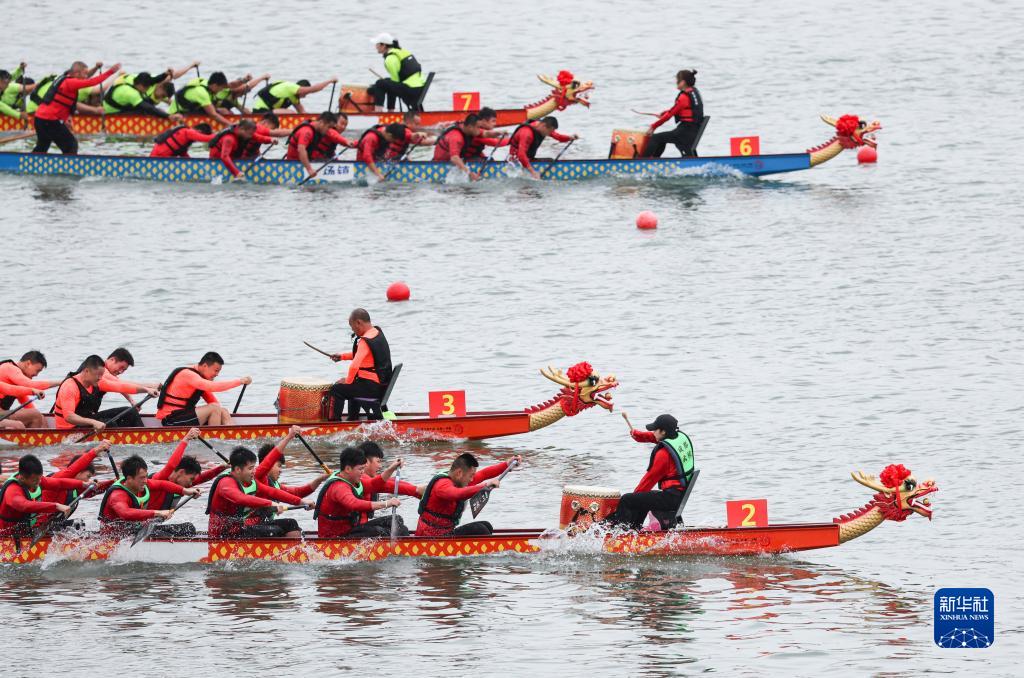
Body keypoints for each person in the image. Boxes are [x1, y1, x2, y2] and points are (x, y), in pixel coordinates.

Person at [604, 414, 695, 530]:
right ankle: (634, 528)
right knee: (643, 498)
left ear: (663, 432)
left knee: (627, 499)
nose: (653, 432)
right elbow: (655, 437)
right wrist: (638, 435)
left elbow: (649, 480)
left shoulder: (663, 455)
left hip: (671, 499)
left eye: (655, 429)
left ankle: (620, 533)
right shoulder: (677, 437)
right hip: (678, 495)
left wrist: (634, 496)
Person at [205, 446, 312, 539]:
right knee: (274, 531)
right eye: (250, 468)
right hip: (223, 535)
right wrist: (270, 503)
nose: (254, 471)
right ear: (238, 469)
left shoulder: (250, 482)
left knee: (291, 524)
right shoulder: (225, 483)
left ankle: (294, 553)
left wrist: (301, 501)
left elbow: (273, 492)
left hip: (240, 528)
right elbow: (240, 498)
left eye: (254, 467)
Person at [415, 453, 520, 537]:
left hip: (445, 533)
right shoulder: (442, 485)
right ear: (459, 473)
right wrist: (485, 485)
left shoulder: (459, 479)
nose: (472, 479)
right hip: (431, 538)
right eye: (471, 476)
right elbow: (457, 494)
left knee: (486, 526)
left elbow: (484, 474)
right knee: (480, 530)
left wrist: (506, 464)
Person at [32, 60, 120, 154]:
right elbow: (92, 82)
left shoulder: (66, 78)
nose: (86, 76)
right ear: (77, 74)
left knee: (42, 147)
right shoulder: (71, 82)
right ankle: (69, 163)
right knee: (71, 145)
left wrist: (95, 68)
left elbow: (86, 78)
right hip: (49, 120)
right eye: (84, 74)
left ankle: (31, 161)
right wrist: (111, 71)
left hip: (40, 118)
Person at [314, 446, 403, 538]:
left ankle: (401, 543)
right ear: (348, 469)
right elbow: (354, 503)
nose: (362, 472)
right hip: (335, 537)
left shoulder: (352, 480)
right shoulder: (339, 487)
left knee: (396, 520)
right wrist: (386, 503)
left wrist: (392, 468)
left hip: (351, 530)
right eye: (360, 469)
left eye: (363, 468)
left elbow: (375, 484)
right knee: (378, 531)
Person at [97, 455, 194, 537]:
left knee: (188, 528)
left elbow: (162, 484)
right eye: (142, 478)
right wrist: (158, 513)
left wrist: (186, 491)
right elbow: (126, 513)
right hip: (114, 535)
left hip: (133, 529)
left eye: (146, 476)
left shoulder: (141, 484)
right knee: (178, 532)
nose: (145, 481)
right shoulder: (117, 495)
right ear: (129, 478)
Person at [53, 355, 158, 430]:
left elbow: (121, 386)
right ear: (86, 371)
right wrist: (93, 422)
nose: (100, 378)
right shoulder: (70, 387)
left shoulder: (98, 382)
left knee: (131, 411)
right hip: (69, 428)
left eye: (102, 375)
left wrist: (146, 390)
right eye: (98, 375)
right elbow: (69, 417)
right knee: (110, 424)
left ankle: (142, 438)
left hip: (87, 420)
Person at [328, 308, 393, 420]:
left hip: (372, 388)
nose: (352, 330)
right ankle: (353, 418)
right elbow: (363, 355)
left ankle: (334, 423)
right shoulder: (376, 333)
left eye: (352, 326)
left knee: (336, 389)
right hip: (381, 386)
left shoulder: (365, 340)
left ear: (358, 322)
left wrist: (347, 381)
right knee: (354, 384)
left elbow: (354, 366)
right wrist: (342, 357)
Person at [155, 352, 252, 427]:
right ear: (205, 366)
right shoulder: (188, 375)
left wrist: (221, 413)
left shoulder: (200, 379)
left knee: (223, 410)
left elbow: (215, 403)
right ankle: (215, 440)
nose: (217, 374)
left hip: (182, 417)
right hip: (170, 420)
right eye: (216, 370)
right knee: (214, 408)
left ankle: (233, 436)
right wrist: (240, 381)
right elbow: (213, 387)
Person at [0, 454, 77, 538]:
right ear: (22, 478)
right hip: (6, 536)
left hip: (25, 532)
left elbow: (60, 483)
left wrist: (83, 484)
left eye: (40, 478)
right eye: (36, 480)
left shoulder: (33, 479)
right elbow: (24, 506)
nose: (39, 482)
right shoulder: (12, 490)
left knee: (77, 525)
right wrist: (56, 506)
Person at [643, 69, 704, 158]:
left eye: (677, 80)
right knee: (661, 139)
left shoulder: (684, 97)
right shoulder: (694, 92)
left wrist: (653, 126)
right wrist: (665, 113)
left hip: (685, 132)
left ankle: (644, 161)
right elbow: (680, 109)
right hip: (692, 131)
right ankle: (655, 160)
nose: (676, 82)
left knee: (655, 138)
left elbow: (669, 115)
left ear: (683, 82)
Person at [254, 425, 329, 497]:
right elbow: (271, 458)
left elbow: (298, 493)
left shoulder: (275, 484)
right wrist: (289, 436)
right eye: (279, 466)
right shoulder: (257, 477)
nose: (280, 470)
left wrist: (320, 479)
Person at [367, 33, 427, 111]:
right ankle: (390, 111)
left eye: (377, 44)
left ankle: (379, 112)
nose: (375, 47)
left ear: (383, 45)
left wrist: (375, 88)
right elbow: (394, 83)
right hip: (420, 88)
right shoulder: (402, 51)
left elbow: (395, 82)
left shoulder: (390, 59)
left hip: (411, 89)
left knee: (380, 83)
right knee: (386, 82)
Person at [285, 111, 356, 177]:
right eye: (329, 127)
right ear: (321, 122)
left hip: (310, 161)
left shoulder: (319, 129)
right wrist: (309, 169)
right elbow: (301, 150)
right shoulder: (307, 132)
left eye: (345, 125)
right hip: (294, 165)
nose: (329, 130)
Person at [507, 116, 578, 179]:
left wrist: (570, 137)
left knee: (550, 160)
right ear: (544, 126)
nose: (549, 134)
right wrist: (533, 172)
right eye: (550, 131)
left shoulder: (542, 127)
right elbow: (521, 155)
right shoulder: (527, 133)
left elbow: (558, 137)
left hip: (528, 159)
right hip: (516, 163)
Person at [0, 351, 57, 429]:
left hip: (2, 414)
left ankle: (46, 436)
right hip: (1, 414)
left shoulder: (16, 379)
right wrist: (61, 382)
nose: (36, 375)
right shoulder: (9, 368)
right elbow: (30, 385)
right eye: (37, 370)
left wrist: (40, 417)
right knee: (31, 417)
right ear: (28, 363)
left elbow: (28, 404)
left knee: (39, 416)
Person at [208, 119, 274, 180]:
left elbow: (258, 137)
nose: (251, 136)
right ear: (242, 129)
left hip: (232, 157)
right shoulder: (229, 139)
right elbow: (224, 157)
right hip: (217, 161)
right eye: (250, 134)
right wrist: (237, 173)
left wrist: (271, 140)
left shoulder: (245, 133)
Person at [102, 73, 183, 121]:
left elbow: (154, 80)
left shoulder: (133, 79)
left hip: (114, 102)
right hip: (111, 111)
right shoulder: (131, 93)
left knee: (148, 103)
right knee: (145, 110)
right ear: (141, 85)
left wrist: (165, 74)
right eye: (147, 88)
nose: (147, 90)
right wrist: (168, 116)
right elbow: (148, 108)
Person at [168, 71, 232, 126]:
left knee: (220, 110)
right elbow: (213, 115)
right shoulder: (202, 93)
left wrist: (218, 110)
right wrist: (231, 125)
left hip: (187, 110)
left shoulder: (206, 83)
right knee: (214, 113)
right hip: (175, 115)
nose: (220, 91)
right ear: (215, 85)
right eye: (221, 89)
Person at [433, 113, 485, 180]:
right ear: (470, 127)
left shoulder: (464, 127)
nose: (480, 130)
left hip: (453, 160)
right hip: (440, 165)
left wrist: (498, 133)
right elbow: (454, 158)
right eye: (478, 127)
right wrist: (469, 173)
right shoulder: (456, 137)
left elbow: (486, 133)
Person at [253, 77, 337, 114]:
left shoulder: (293, 96)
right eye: (305, 93)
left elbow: (302, 113)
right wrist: (330, 81)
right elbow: (313, 89)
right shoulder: (291, 87)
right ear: (302, 88)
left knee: (294, 114)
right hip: (260, 112)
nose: (305, 96)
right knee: (291, 113)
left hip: (268, 112)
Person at [150, 122, 214, 157]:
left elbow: (182, 153)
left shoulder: (184, 135)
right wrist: (218, 134)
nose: (196, 140)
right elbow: (206, 138)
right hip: (159, 158)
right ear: (199, 131)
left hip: (157, 156)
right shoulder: (189, 132)